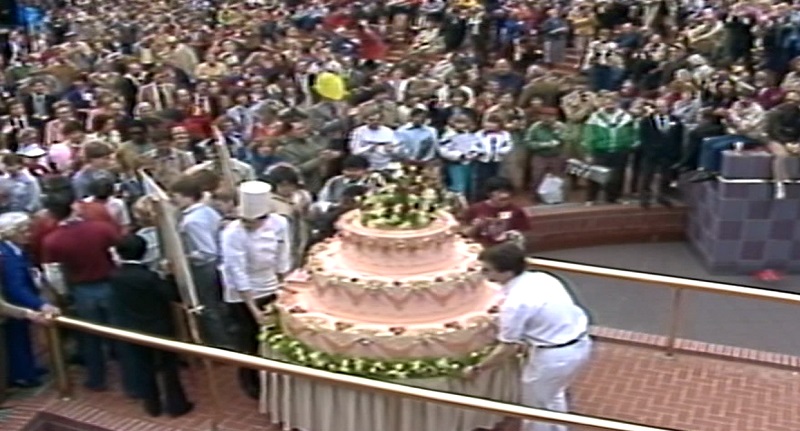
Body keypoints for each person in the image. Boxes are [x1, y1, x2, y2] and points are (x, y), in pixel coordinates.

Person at [464, 243, 592, 431]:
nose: (484, 275)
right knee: (553, 394)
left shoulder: (515, 303)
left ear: (506, 272)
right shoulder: (543, 278)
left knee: (534, 408)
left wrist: (478, 368)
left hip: (553, 357)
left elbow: (508, 347)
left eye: (487, 270)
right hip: (580, 345)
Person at [220, 181, 292, 399]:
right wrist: (254, 310)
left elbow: (283, 255)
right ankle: (251, 382)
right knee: (248, 340)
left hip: (270, 284)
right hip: (243, 294)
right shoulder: (232, 234)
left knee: (272, 337)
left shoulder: (279, 224)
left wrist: (283, 288)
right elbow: (237, 272)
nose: (249, 225)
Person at [109, 234, 194, 418]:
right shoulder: (149, 277)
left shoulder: (115, 276)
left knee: (144, 367)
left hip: (134, 328)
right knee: (169, 367)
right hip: (159, 327)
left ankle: (152, 405)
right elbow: (171, 295)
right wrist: (170, 276)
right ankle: (176, 404)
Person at [41, 196, 120, 391]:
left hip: (82, 290)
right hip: (109, 283)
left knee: (90, 338)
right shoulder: (102, 228)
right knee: (121, 333)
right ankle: (133, 381)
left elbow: (54, 274)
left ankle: (97, 379)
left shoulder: (52, 241)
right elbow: (118, 255)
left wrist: (63, 294)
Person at [0, 212, 60, 388]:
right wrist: (40, 304)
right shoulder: (7, 256)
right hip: (13, 304)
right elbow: (15, 287)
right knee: (17, 339)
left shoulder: (17, 251)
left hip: (21, 301)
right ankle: (22, 374)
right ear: (11, 232)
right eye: (24, 231)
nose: (29, 234)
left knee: (24, 337)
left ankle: (28, 368)